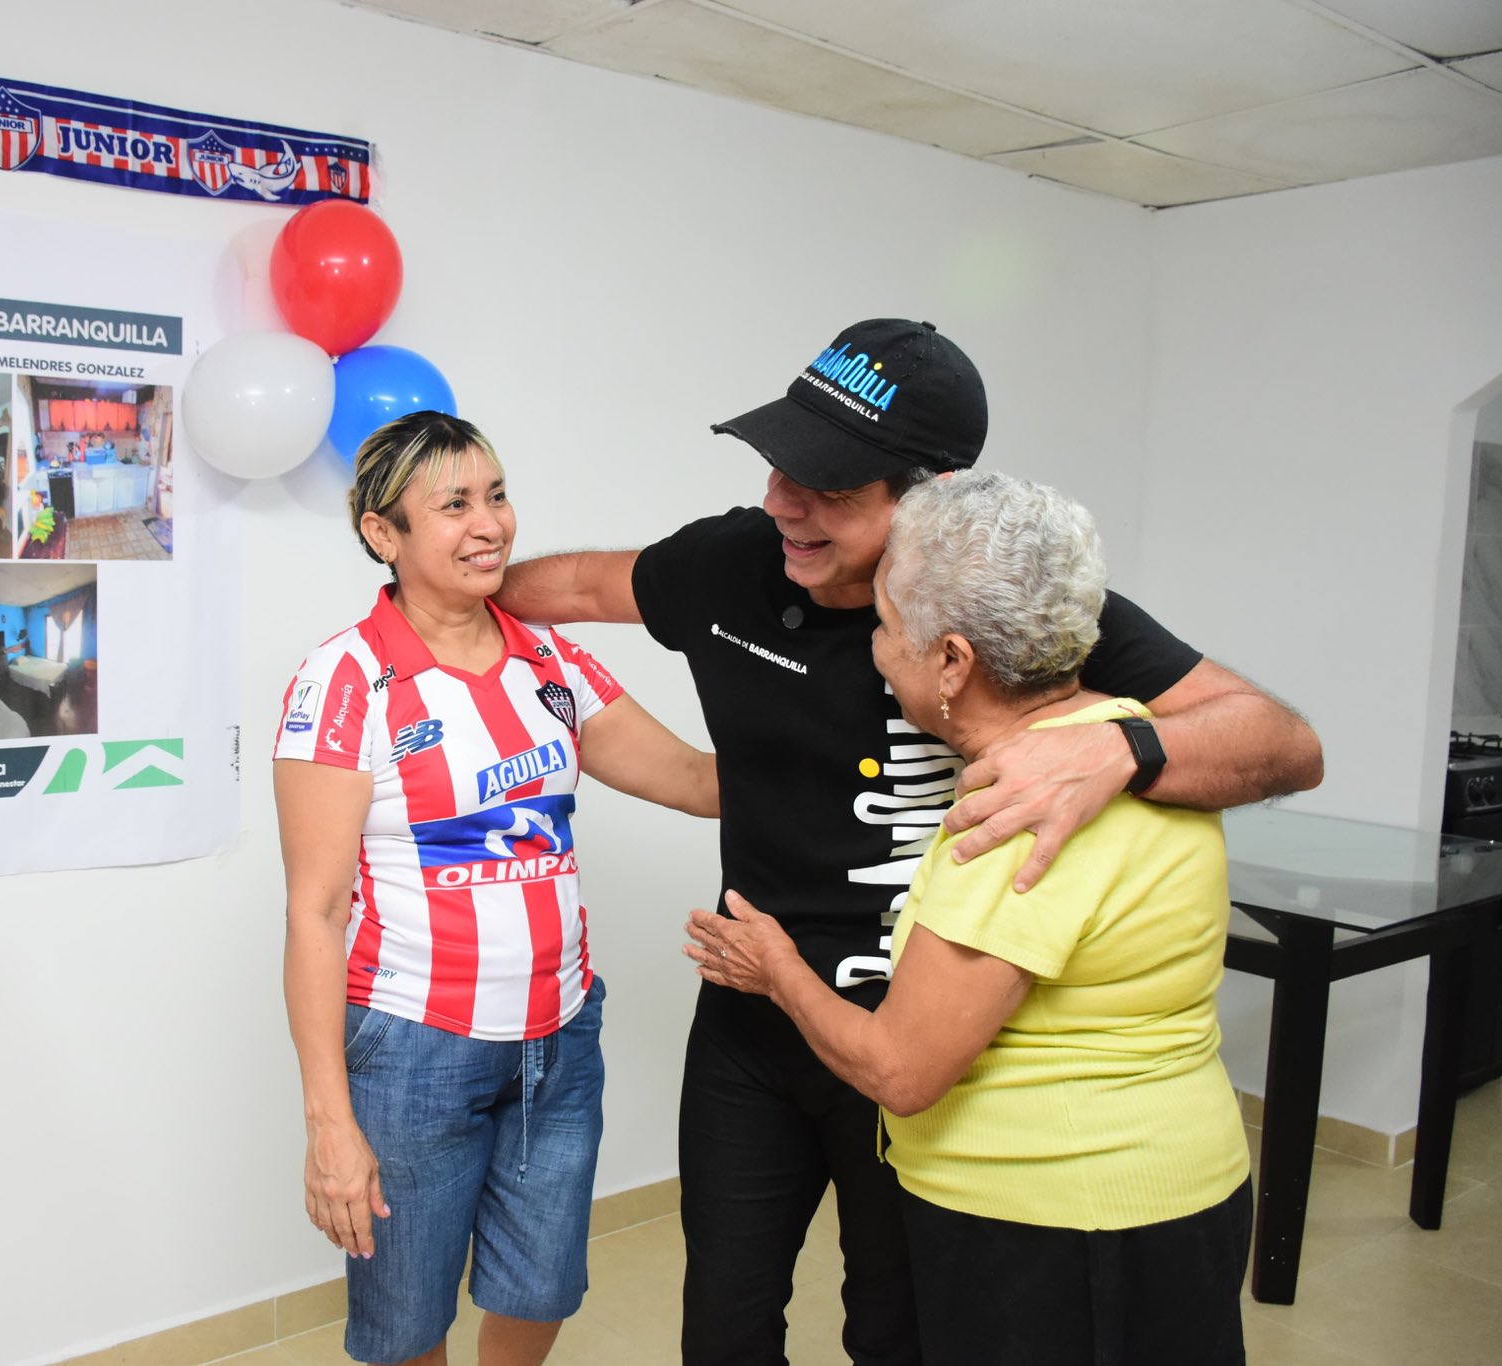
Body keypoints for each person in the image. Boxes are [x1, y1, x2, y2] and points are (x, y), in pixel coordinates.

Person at [492, 318, 1320, 1365]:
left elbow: (1281, 743)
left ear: (926, 498)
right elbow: (569, 588)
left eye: (828, 488)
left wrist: (1118, 752)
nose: (780, 503)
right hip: (751, 1028)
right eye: (778, 466)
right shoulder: (732, 563)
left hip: (919, 1039)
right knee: (723, 1327)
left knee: (897, 1329)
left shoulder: (1012, 608)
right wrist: (435, 588)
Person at [684, 470, 1253, 1365]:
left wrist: (776, 969)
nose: (872, 649)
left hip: (1053, 1224)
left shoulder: (1010, 822)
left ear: (951, 660)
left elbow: (902, 1071)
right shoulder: (1135, 741)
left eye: (882, 627)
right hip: (1178, 1191)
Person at [276, 411, 719, 1366]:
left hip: (559, 1041)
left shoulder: (547, 657)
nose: (490, 525)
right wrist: (330, 1124)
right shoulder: (345, 682)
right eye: (453, 506)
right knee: (406, 1319)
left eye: (498, 494)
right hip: (412, 1051)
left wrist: (834, 752)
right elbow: (314, 913)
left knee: (543, 1284)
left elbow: (690, 780)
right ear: (381, 534)